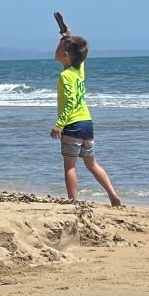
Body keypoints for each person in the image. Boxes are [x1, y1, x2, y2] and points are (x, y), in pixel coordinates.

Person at [50, 31, 121, 206]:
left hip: (72, 125)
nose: (56, 49)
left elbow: (70, 102)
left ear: (65, 55)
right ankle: (112, 194)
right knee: (92, 164)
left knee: (70, 166)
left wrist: (59, 125)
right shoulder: (78, 70)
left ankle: (73, 202)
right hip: (87, 124)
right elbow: (79, 55)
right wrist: (67, 35)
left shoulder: (65, 76)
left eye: (59, 47)